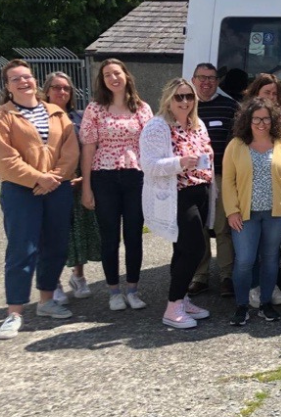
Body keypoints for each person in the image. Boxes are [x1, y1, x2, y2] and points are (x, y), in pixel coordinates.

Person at [0, 60, 79, 340]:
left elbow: (71, 152)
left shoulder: (57, 113)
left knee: (56, 245)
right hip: (21, 191)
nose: (23, 82)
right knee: (23, 249)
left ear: (35, 81)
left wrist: (54, 177)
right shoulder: (2, 116)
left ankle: (46, 301)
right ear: (7, 86)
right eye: (16, 79)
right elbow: (5, 159)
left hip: (57, 187)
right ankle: (15, 312)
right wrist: (37, 178)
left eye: (27, 77)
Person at [139, 78, 215, 329]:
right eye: (179, 97)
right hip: (176, 195)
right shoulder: (157, 126)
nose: (185, 101)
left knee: (182, 250)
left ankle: (181, 298)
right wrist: (180, 162)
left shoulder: (198, 123)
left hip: (200, 191)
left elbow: (204, 155)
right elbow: (148, 165)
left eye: (189, 96)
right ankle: (172, 307)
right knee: (194, 248)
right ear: (168, 99)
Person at [80, 58, 153, 311]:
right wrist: (87, 187)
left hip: (136, 176)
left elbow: (150, 146)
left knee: (134, 236)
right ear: (102, 80)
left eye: (117, 73)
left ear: (126, 76)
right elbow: (88, 147)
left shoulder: (142, 108)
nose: (113, 78)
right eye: (107, 74)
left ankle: (133, 289)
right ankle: (113, 291)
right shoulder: (95, 109)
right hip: (104, 176)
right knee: (109, 237)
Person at [223, 98, 281, 325]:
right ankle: (241, 306)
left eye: (266, 118)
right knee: (245, 260)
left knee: (269, 259)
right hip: (245, 214)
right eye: (256, 118)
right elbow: (228, 182)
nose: (261, 123)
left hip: (275, 213)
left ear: (273, 119)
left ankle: (266, 303)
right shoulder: (236, 145)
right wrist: (232, 211)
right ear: (248, 120)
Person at [42, 72, 101, 304]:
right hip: (49, 184)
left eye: (66, 88)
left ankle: (78, 276)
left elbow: (89, 150)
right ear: (47, 90)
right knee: (53, 236)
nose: (62, 92)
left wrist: (85, 179)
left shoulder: (78, 117)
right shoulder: (38, 118)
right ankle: (52, 281)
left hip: (76, 184)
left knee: (79, 232)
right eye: (56, 87)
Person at [188, 62, 241, 298]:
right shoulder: (185, 106)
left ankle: (226, 276)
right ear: (194, 79)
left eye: (211, 78)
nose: (207, 82)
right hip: (193, 178)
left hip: (221, 177)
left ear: (217, 81)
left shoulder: (230, 107)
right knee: (196, 228)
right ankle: (200, 276)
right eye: (202, 78)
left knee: (223, 227)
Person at [241, 72, 281, 306]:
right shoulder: (243, 123)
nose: (271, 96)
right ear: (255, 94)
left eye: (275, 93)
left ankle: (268, 285)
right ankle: (253, 287)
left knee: (269, 249)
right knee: (251, 250)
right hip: (247, 198)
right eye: (266, 92)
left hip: (273, 198)